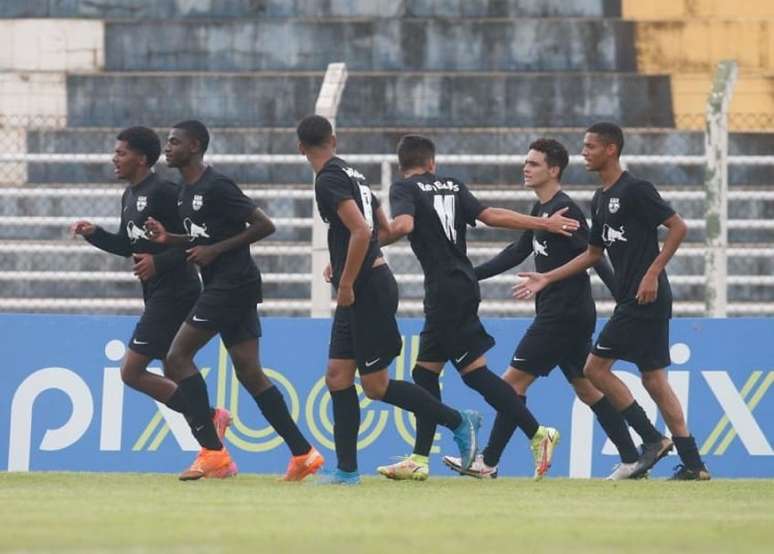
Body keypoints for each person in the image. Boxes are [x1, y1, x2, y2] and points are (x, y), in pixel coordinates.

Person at [375, 134, 580, 482]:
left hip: (446, 292)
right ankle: (419, 458)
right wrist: (543, 223)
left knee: (475, 375)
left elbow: (404, 226)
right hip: (455, 287)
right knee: (425, 374)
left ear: (403, 165)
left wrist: (365, 242)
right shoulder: (452, 186)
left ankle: (537, 433)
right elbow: (491, 215)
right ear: (431, 163)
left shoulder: (403, 189)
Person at [515, 122, 710, 480]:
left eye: (590, 146)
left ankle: (651, 440)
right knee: (653, 380)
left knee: (594, 369)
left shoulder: (635, 189)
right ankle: (694, 464)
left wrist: (653, 272)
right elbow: (592, 255)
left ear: (610, 150)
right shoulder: (600, 199)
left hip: (645, 296)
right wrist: (547, 277)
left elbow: (678, 227)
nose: (584, 152)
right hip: (632, 297)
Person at [441, 138, 644, 480]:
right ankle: (632, 458)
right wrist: (471, 275)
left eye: (533, 164)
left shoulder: (566, 210)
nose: (526, 167)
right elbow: (517, 252)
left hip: (562, 314)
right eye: (526, 162)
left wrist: (622, 297)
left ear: (553, 170)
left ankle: (488, 462)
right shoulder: (541, 211)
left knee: (511, 384)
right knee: (587, 387)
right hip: (567, 313)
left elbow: (595, 256)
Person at [297, 114, 482, 485]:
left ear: (300, 148)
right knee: (337, 377)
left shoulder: (329, 180)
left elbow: (363, 232)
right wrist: (344, 262)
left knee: (376, 387)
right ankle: (347, 471)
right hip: (366, 281)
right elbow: (381, 230)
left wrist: (347, 278)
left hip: (366, 288)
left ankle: (457, 421)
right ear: (333, 139)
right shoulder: (354, 175)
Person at [146, 120, 323, 481]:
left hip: (232, 284)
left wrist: (214, 251)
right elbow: (203, 236)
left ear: (194, 146)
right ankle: (304, 454)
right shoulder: (184, 191)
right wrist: (171, 239)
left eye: (174, 142)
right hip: (229, 284)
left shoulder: (217, 185)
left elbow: (264, 225)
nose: (167, 147)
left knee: (177, 358)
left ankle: (213, 452)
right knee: (250, 373)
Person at [71, 126, 234, 465]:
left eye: (121, 153)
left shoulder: (164, 191)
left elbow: (192, 240)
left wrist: (159, 263)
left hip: (177, 291)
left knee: (131, 371)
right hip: (158, 292)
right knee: (175, 370)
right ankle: (215, 450)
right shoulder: (129, 196)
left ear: (142, 159)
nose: (114, 159)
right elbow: (127, 245)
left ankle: (210, 424)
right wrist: (95, 234)